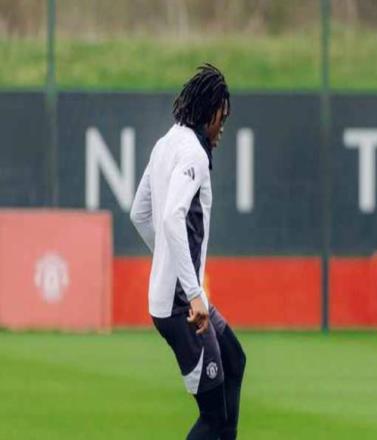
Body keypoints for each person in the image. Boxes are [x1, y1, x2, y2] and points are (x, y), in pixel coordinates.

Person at [130, 64, 246, 439]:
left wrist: (168, 261)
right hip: (182, 305)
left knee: (234, 360)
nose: (223, 127)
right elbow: (170, 217)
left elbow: (139, 213)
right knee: (212, 418)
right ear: (208, 112)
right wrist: (193, 292)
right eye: (222, 117)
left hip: (178, 299)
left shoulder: (165, 143)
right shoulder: (194, 154)